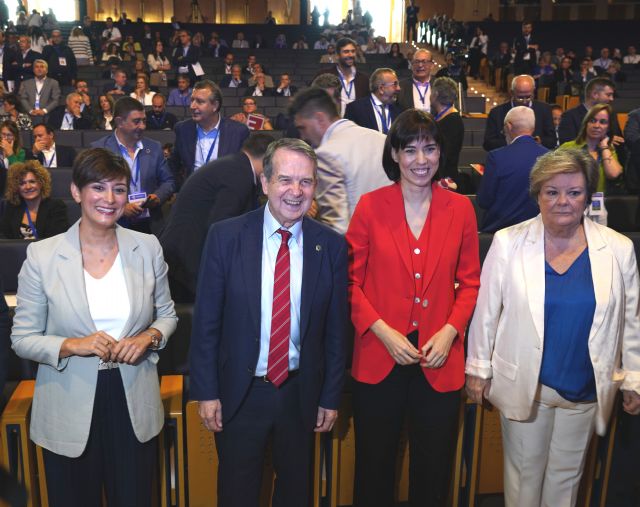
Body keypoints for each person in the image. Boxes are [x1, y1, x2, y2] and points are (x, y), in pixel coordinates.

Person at [465, 148, 640, 507]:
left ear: (587, 196)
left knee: (566, 481)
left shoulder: (619, 249)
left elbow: (631, 319)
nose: (563, 201)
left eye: (574, 192)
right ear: (538, 194)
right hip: (528, 386)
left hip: (585, 389)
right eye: (552, 192)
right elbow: (486, 313)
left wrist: (634, 377)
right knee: (524, 479)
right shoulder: (508, 242)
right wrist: (478, 369)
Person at [10, 147, 177, 506]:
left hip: (132, 400)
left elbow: (168, 314)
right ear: (76, 192)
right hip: (68, 401)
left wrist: (150, 336)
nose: (109, 198)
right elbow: (22, 338)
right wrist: (73, 345)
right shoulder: (42, 256)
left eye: (119, 189)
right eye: (98, 188)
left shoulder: (147, 247)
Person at [189, 137, 348, 507]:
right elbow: (206, 323)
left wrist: (330, 395)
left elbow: (337, 332)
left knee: (296, 493)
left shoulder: (332, 247)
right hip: (239, 395)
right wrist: (207, 391)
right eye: (285, 180)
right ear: (265, 183)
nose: (296, 191)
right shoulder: (226, 237)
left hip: (300, 393)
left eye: (306, 182)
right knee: (237, 493)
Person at [347, 109, 480, 507]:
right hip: (378, 358)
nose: (421, 160)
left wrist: (451, 329)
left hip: (438, 361)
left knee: (434, 470)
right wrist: (381, 329)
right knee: (374, 469)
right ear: (395, 154)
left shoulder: (461, 209)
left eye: (430, 148)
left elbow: (471, 282)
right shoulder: (370, 207)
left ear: (441, 152)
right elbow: (349, 282)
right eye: (411, 150)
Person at [160, 133, 273, 302]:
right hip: (187, 261)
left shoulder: (234, 165)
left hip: (181, 255)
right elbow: (222, 229)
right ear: (268, 159)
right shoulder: (240, 174)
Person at [291, 87, 390, 234]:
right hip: (398, 241)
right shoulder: (381, 138)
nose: (303, 136)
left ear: (319, 119)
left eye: (303, 128)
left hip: (361, 249)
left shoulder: (326, 154)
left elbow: (337, 229)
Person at [91, 97, 175, 235]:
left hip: (150, 226)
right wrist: (120, 208)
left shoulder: (153, 147)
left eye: (144, 121)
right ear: (119, 122)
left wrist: (158, 197)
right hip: (114, 226)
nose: (142, 126)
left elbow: (169, 181)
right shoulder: (100, 150)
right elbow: (92, 191)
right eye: (136, 121)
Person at [477, 106, 548, 233]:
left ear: (508, 126)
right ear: (532, 128)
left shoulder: (496, 157)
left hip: (500, 232)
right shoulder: (549, 157)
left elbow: (484, 200)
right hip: (538, 232)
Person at [169, 79, 250, 187]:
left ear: (215, 106)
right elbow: (172, 167)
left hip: (225, 195)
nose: (192, 106)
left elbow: (247, 171)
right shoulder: (183, 129)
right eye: (192, 100)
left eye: (200, 101)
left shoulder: (238, 131)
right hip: (193, 195)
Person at [558, 104, 622, 193]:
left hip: (598, 204)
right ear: (586, 123)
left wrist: (604, 146)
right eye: (592, 120)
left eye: (602, 122)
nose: (596, 125)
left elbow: (613, 174)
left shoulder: (609, 150)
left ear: (608, 128)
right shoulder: (567, 147)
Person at [483, 75, 555, 151]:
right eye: (520, 97)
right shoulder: (497, 113)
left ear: (533, 91)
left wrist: (538, 142)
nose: (524, 101)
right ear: (511, 92)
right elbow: (488, 143)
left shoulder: (544, 110)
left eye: (528, 97)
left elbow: (552, 140)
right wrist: (515, 142)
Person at [0, 160, 67, 239]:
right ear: (16, 188)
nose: (28, 187)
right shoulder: (12, 207)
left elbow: (57, 239)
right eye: (22, 183)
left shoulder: (56, 207)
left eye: (32, 182)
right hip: (17, 251)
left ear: (41, 183)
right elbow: (5, 237)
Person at [316, 38, 369, 116]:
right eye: (346, 52)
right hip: (332, 125)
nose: (350, 55)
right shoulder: (324, 75)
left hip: (355, 125)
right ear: (337, 55)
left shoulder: (363, 79)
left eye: (353, 51)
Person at [559, 77, 618, 145]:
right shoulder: (570, 116)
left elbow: (620, 142)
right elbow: (566, 146)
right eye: (608, 95)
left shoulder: (611, 114)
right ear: (595, 94)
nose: (612, 99)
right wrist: (603, 141)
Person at [344, 68, 401, 134]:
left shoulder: (399, 110)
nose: (399, 88)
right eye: (395, 84)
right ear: (381, 88)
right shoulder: (355, 109)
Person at [430, 76, 464, 185]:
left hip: (444, 179)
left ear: (435, 95)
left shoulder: (452, 120)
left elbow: (445, 155)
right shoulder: (442, 116)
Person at [397, 48, 434, 113]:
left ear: (432, 65)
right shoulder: (401, 86)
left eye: (424, 61)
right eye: (416, 62)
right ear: (411, 65)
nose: (420, 65)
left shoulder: (439, 85)